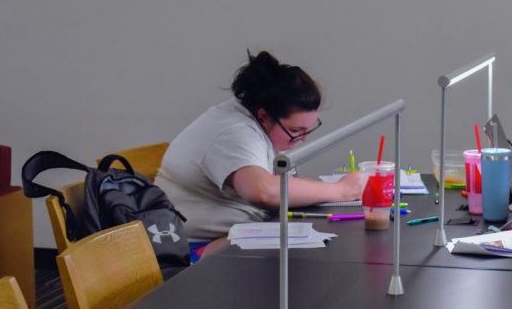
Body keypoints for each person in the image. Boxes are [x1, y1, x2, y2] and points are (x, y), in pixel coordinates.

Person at [156, 50, 364, 255]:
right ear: (264, 116)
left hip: (237, 234)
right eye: (295, 131)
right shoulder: (233, 132)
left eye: (309, 129)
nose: (304, 139)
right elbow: (262, 191)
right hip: (193, 252)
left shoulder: (250, 119)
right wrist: (342, 190)